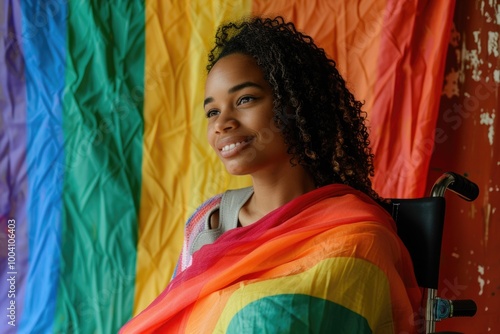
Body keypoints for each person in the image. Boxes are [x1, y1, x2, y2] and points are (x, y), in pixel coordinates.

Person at [121, 16, 421, 333]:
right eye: (212, 111)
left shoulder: (356, 236)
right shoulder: (208, 222)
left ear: (294, 104)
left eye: (245, 99)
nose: (222, 123)